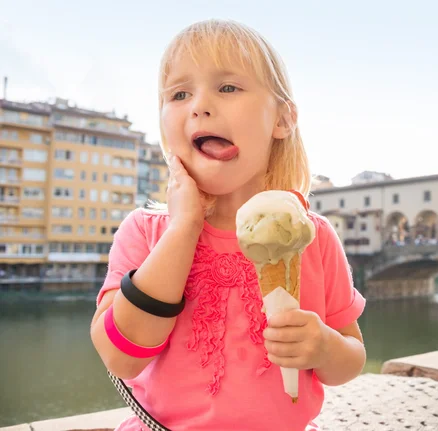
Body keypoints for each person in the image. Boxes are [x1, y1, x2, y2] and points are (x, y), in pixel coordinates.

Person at [90, 19, 366, 431]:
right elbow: (123, 356)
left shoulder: (312, 235)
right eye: (179, 94)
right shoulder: (144, 230)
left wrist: (324, 348)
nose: (199, 105)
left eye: (227, 87)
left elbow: (352, 357)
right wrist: (182, 227)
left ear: (283, 119)